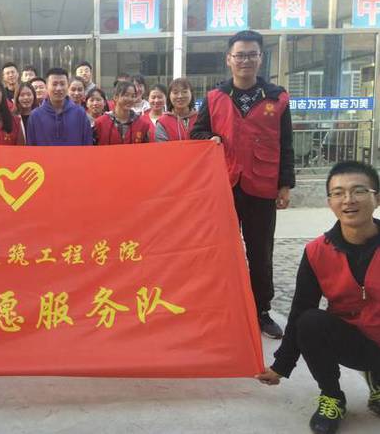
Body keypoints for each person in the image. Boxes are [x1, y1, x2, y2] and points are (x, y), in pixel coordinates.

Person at [256, 161, 380, 434]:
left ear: (377, 198)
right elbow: (300, 309)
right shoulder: (317, 252)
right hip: (354, 342)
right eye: (338, 193)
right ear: (330, 202)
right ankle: (332, 396)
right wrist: (281, 366)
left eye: (359, 191)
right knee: (309, 321)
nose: (348, 199)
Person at [191, 29, 295, 338]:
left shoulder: (277, 97)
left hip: (262, 186)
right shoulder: (215, 97)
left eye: (251, 55)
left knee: (261, 251)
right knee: (221, 249)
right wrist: (209, 138)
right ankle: (220, 306)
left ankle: (261, 309)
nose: (245, 60)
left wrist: (285, 185)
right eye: (240, 55)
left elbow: (286, 144)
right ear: (229, 59)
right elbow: (196, 133)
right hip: (224, 185)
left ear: (261, 58)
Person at [26, 67, 92, 146]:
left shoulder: (80, 113)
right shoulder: (35, 115)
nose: (59, 88)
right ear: (47, 86)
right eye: (54, 84)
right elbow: (31, 145)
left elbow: (87, 144)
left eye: (62, 84)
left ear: (68, 86)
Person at [155, 78, 198, 142]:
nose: (180, 96)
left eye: (184, 92)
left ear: (191, 94)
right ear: (169, 96)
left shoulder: (200, 119)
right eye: (175, 93)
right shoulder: (163, 122)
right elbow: (161, 147)